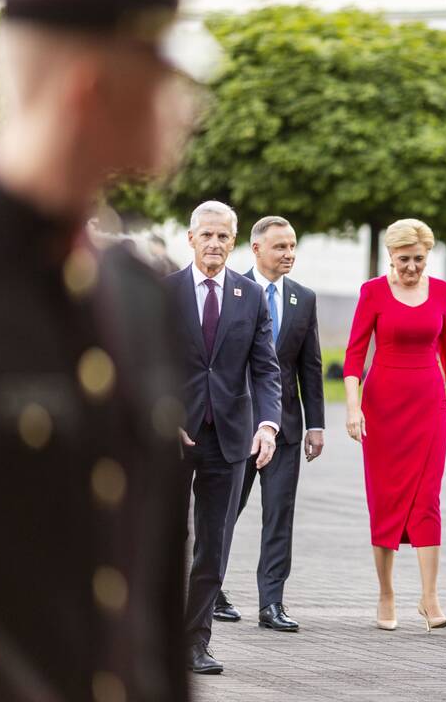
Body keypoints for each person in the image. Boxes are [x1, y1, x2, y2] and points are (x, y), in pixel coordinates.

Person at [0, 0, 204, 699]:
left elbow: (151, 610)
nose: (189, 104)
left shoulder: (139, 297)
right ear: (92, 88)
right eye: (165, 73)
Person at [165, 201, 282, 675]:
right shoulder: (163, 292)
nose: (214, 244)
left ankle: (196, 642)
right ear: (190, 238)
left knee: (213, 546)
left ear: (233, 242)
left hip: (230, 439)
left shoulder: (250, 297)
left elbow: (266, 369)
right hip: (170, 436)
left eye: (223, 237)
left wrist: (268, 424)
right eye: (206, 235)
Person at [342, 218, 446, 631]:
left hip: (429, 405)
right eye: (404, 259)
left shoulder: (442, 292)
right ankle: (386, 594)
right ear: (390, 256)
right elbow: (353, 357)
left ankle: (430, 596)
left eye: (419, 259)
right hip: (382, 407)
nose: (412, 267)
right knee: (384, 500)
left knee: (427, 499)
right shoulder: (373, 292)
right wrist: (353, 408)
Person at [213, 216, 326, 631]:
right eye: (280, 247)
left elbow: (310, 367)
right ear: (256, 249)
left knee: (279, 515)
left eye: (293, 246)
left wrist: (316, 425)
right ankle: (212, 591)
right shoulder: (231, 290)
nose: (289, 254)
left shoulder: (304, 298)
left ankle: (272, 603)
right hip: (237, 427)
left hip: (288, 428)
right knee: (223, 513)